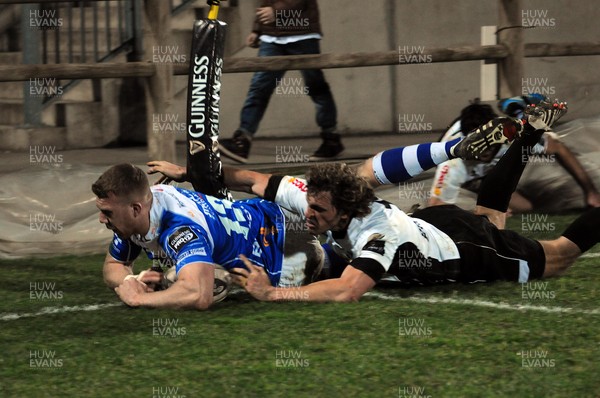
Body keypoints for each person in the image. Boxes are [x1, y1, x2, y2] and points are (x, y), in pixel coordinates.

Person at [222, 100, 600, 303]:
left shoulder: (378, 236)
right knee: (489, 216)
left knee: (559, 257)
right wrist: (193, 170)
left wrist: (273, 293)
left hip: (464, 247)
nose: (309, 213)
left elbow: (346, 291)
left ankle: (529, 137)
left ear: (345, 210)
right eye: (310, 205)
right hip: (436, 223)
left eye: (319, 211)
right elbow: (252, 179)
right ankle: (528, 136)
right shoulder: (319, 196)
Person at [92, 164, 323, 310]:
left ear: (135, 209)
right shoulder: (136, 214)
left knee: (342, 271)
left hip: (282, 253)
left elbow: (199, 295)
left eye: (107, 212)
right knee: (174, 280)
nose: (102, 219)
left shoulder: (180, 229)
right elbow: (115, 264)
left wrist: (138, 299)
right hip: (265, 213)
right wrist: (129, 282)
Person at [219, 0, 343, 163]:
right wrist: (257, 29)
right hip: (272, 38)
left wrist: (276, 12)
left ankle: (331, 139)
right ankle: (242, 141)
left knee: (316, 86)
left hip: (302, 33)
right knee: (259, 88)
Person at [429, 97, 600, 211]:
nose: (484, 152)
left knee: (526, 207)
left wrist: (590, 192)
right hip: (472, 175)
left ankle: (517, 106)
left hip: (496, 159)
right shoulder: (453, 160)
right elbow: (436, 207)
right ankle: (478, 185)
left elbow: (558, 148)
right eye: (478, 147)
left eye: (488, 144)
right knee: (513, 207)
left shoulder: (511, 132)